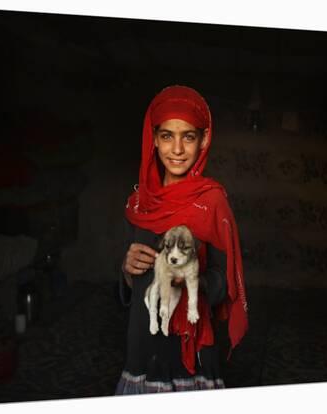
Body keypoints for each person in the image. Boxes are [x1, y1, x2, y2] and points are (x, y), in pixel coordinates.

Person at [115, 85, 248, 394]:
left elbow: (224, 283)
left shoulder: (212, 202)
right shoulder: (138, 203)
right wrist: (125, 268)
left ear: (203, 141)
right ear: (153, 140)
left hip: (191, 350)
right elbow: (130, 288)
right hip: (142, 345)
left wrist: (191, 280)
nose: (176, 149)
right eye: (166, 136)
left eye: (188, 136)